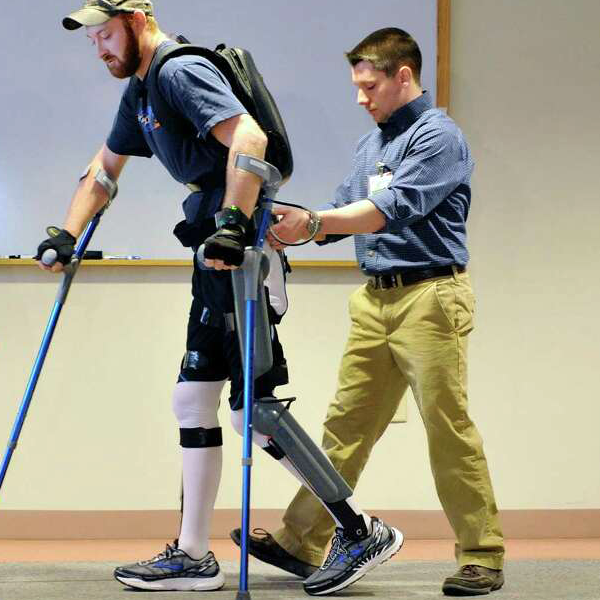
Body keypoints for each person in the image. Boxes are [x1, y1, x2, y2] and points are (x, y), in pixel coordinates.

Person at [36, 2, 402, 594]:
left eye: (105, 34)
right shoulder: (141, 91)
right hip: (211, 250)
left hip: (238, 253)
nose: (99, 48)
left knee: (250, 410)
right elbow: (104, 168)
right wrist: (66, 232)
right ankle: (192, 554)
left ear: (137, 19)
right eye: (92, 39)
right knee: (192, 401)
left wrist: (232, 222)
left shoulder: (179, 71)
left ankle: (359, 530)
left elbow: (249, 137)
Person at [233, 27, 506, 597]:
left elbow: (391, 208)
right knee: (345, 425)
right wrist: (291, 225)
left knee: (447, 427)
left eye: (369, 86)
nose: (360, 98)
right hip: (374, 300)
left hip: (430, 298)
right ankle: (300, 539)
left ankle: (481, 555)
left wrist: (315, 223)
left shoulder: (438, 137)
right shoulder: (371, 145)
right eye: (357, 86)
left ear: (403, 76)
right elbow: (342, 211)